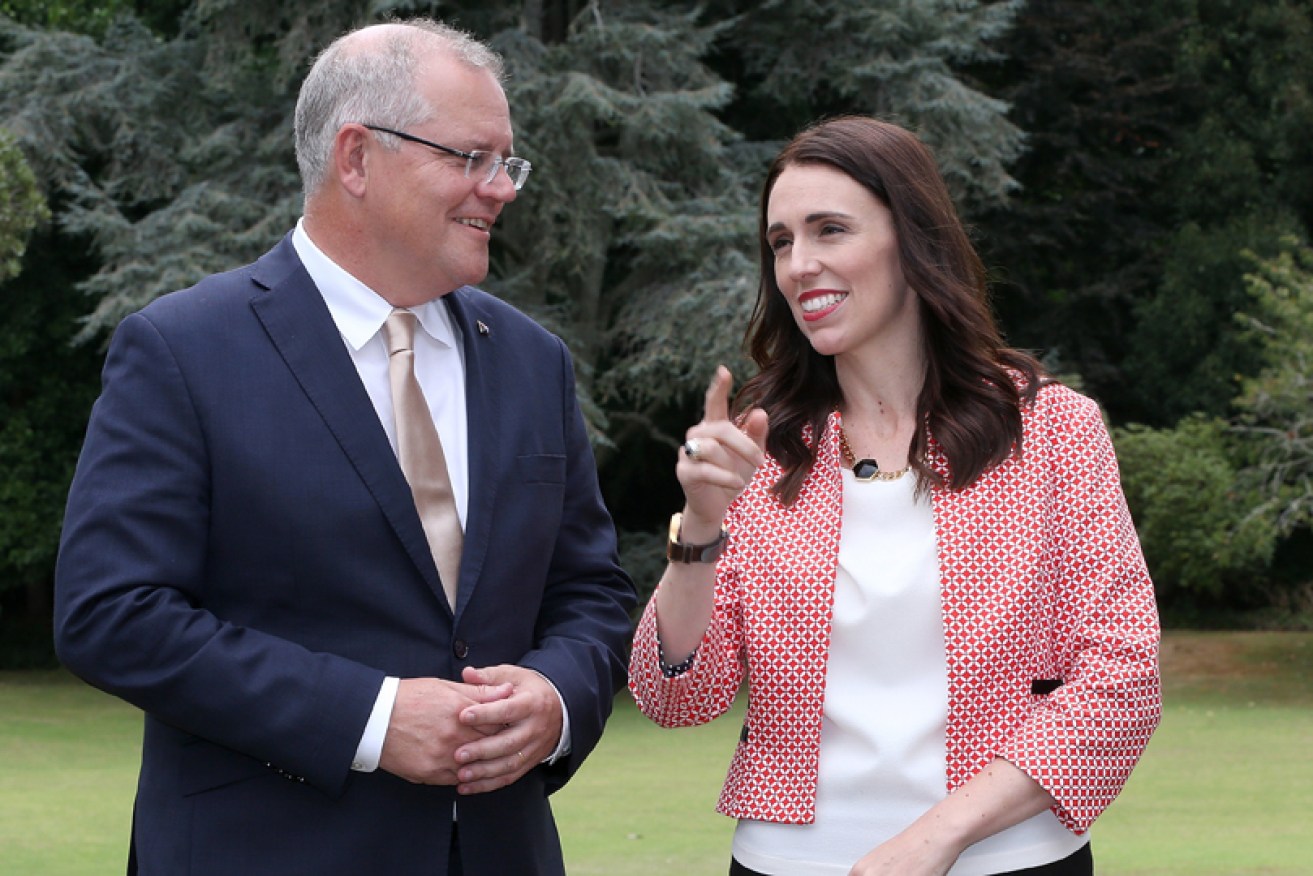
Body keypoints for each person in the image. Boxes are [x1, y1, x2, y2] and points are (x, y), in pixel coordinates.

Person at [53, 18, 635, 876]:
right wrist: (368, 717)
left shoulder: (530, 361)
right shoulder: (184, 349)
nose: (502, 189)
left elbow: (588, 592)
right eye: (470, 158)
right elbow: (112, 614)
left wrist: (553, 699)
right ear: (356, 158)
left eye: (505, 162)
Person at [628, 115, 1161, 876]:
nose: (799, 264)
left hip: (1007, 861)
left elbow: (1120, 679)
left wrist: (937, 836)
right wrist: (700, 531)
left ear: (912, 239)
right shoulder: (758, 446)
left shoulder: (1050, 430)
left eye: (829, 230)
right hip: (786, 862)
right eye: (780, 242)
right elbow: (675, 697)